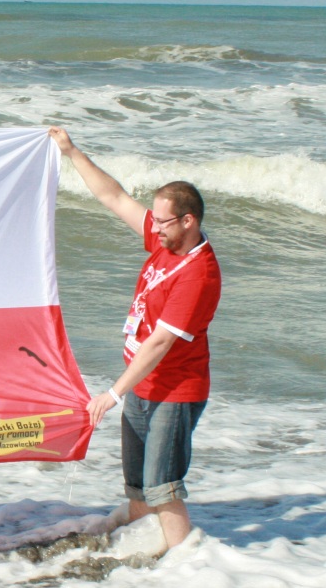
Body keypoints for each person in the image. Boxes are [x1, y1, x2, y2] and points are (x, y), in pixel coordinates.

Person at [48, 127, 222, 550]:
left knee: (163, 486)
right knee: (139, 489)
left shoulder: (199, 273)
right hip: (143, 383)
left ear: (188, 221)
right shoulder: (167, 243)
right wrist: (72, 152)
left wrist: (113, 393)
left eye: (162, 221)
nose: (153, 227)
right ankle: (135, 547)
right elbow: (114, 197)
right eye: (154, 220)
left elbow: (160, 343)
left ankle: (188, 565)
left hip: (174, 391)